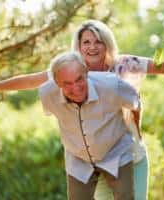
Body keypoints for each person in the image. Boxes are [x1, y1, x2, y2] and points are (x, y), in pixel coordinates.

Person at [0, 20, 164, 200]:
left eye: (97, 41)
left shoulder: (125, 65)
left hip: (129, 155)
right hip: (92, 162)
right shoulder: (69, 71)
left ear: (107, 44)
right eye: (86, 42)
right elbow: (28, 80)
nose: (92, 47)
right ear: (78, 47)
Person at [42, 51, 140, 199]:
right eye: (67, 84)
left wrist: (137, 130)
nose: (75, 88)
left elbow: (135, 102)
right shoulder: (47, 94)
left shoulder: (111, 85)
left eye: (79, 79)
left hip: (116, 152)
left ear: (86, 72)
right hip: (78, 158)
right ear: (56, 83)